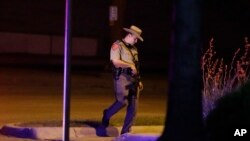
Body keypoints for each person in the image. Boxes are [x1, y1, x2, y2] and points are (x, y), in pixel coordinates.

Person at [101, 25, 144, 135]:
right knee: (122, 101)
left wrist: (139, 80)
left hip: (133, 78)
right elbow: (115, 61)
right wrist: (129, 65)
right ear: (129, 35)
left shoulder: (134, 49)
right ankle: (107, 114)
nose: (136, 41)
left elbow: (136, 66)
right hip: (122, 77)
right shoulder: (117, 45)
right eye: (135, 38)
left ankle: (126, 132)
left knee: (134, 106)